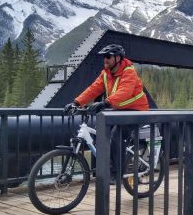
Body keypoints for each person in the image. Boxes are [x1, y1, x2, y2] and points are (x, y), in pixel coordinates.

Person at [63, 43, 149, 183]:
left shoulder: (129, 72)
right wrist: (76, 102)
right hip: (119, 111)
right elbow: (93, 89)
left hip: (136, 111)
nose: (105, 60)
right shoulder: (105, 74)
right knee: (101, 133)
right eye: (104, 57)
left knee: (116, 136)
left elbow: (124, 92)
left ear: (118, 58)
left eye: (108, 57)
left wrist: (105, 103)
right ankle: (108, 167)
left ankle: (117, 173)